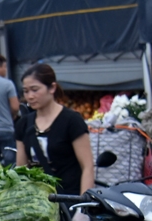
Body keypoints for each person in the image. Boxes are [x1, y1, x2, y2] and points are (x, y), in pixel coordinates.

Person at [15, 63, 94, 195]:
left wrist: (82, 207)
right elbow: (21, 170)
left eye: (35, 90)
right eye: (26, 91)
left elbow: (88, 166)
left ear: (52, 88)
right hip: (38, 203)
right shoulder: (23, 124)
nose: (30, 96)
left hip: (69, 198)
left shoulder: (72, 120)